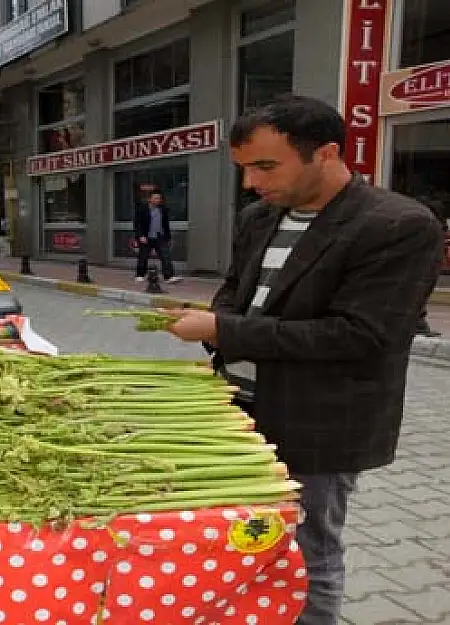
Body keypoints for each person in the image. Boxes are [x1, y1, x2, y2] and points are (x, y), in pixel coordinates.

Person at [161, 96, 444, 625]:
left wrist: (223, 329)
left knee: (307, 549)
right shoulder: (258, 216)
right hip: (234, 410)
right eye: (244, 168)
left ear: (327, 153)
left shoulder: (399, 225)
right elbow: (235, 292)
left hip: (318, 423)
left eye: (265, 166)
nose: (251, 182)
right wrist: (218, 331)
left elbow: (360, 336)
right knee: (241, 538)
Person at [133, 190, 181, 284]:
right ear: (150, 199)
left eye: (159, 198)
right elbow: (137, 224)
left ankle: (169, 276)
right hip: (147, 236)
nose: (157, 200)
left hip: (160, 236)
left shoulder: (163, 209)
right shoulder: (142, 209)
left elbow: (166, 224)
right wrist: (140, 236)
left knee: (165, 256)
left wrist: (168, 237)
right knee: (143, 256)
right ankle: (140, 275)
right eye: (155, 198)